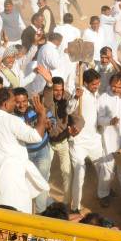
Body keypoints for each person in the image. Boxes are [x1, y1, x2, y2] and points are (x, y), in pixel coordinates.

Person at [0, 88, 49, 214]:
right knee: (19, 221)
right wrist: (41, 114)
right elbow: (36, 136)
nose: (15, 104)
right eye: (13, 101)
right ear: (5, 104)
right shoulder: (11, 120)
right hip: (12, 181)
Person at [69, 69, 107, 213]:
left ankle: (103, 194)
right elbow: (68, 109)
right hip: (78, 142)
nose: (96, 86)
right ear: (85, 83)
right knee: (79, 174)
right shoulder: (79, 92)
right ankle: (75, 207)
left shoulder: (96, 94)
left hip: (95, 140)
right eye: (93, 84)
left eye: (98, 83)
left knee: (103, 169)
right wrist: (75, 98)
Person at [12, 88, 54, 214]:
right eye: (18, 102)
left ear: (27, 100)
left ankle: (41, 213)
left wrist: (48, 124)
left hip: (42, 152)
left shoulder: (37, 109)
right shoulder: (11, 118)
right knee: (25, 184)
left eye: (24, 101)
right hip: (24, 155)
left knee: (41, 180)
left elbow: (51, 120)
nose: (21, 105)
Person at [41, 76, 82, 206]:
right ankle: (43, 200)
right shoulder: (45, 98)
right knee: (44, 172)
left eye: (61, 90)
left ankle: (66, 203)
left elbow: (78, 117)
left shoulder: (69, 99)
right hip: (48, 142)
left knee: (67, 173)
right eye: (55, 90)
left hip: (63, 142)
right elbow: (47, 102)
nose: (58, 93)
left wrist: (77, 128)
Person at [97, 73, 121, 199]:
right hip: (108, 139)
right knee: (107, 168)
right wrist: (109, 121)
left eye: (119, 87)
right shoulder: (103, 98)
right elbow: (99, 120)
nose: (116, 89)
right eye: (114, 86)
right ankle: (103, 195)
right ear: (109, 84)